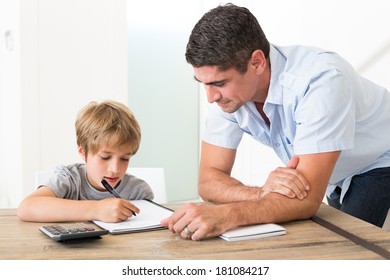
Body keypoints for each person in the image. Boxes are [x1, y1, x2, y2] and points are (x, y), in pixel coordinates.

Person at [161, 3, 390, 240]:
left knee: (344, 249)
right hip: (336, 175)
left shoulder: (321, 81)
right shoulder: (228, 96)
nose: (210, 97)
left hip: (379, 160)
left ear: (257, 63)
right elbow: (208, 181)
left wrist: (228, 214)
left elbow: (307, 201)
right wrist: (261, 192)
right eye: (203, 83)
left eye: (219, 83)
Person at [17, 100, 153, 222]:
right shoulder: (69, 179)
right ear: (83, 152)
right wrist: (97, 209)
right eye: (105, 157)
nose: (115, 169)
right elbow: (26, 207)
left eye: (125, 158)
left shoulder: (139, 191)